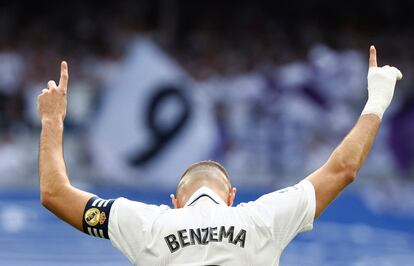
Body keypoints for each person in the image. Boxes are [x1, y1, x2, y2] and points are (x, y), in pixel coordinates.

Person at [38, 46, 402, 266]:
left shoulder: (147, 224)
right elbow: (343, 169)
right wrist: (377, 101)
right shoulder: (263, 219)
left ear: (175, 202)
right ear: (231, 197)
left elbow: (55, 194)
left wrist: (52, 120)